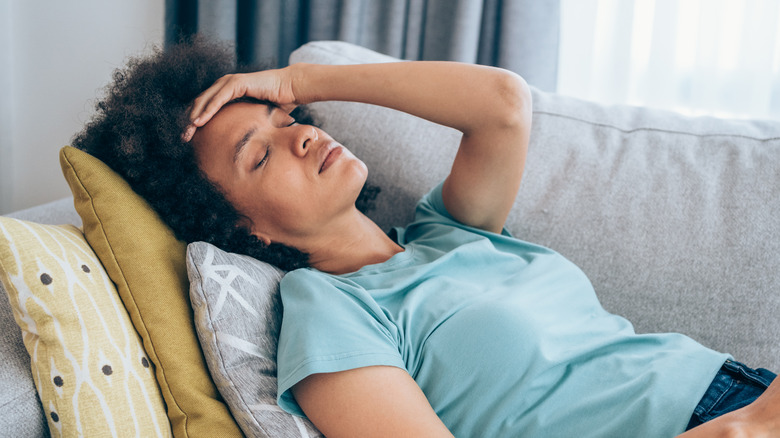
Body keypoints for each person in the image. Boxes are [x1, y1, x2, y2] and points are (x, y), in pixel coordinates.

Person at [74, 37, 779, 437]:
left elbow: (502, 105)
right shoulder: (329, 313)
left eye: (290, 120)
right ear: (237, 227)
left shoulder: (446, 234)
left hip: (742, 390)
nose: (303, 138)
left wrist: (298, 76)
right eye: (259, 155)